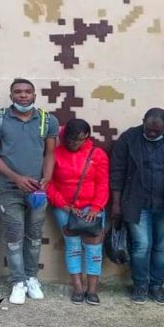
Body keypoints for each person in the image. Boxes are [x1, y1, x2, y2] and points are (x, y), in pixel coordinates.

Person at [0, 78, 59, 305]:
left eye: (27, 92)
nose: (23, 95)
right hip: (8, 188)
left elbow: (50, 153)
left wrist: (47, 178)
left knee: (35, 236)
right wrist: (16, 178)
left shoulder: (48, 120)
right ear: (11, 95)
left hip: (37, 190)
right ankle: (18, 281)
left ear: (35, 95)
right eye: (18, 92)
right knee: (14, 236)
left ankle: (31, 278)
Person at [110, 108, 164, 305]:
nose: (152, 133)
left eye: (157, 130)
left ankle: (157, 287)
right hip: (136, 201)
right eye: (148, 129)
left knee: (161, 246)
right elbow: (117, 171)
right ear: (143, 121)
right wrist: (116, 203)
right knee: (141, 245)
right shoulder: (129, 138)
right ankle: (140, 285)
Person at [47, 119, 109, 305]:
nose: (74, 143)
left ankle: (92, 290)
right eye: (71, 139)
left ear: (87, 137)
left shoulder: (97, 154)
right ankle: (78, 288)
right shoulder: (55, 154)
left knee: (94, 248)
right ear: (64, 135)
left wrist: (96, 208)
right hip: (65, 208)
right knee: (73, 247)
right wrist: (64, 205)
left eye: (80, 139)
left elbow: (103, 184)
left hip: (92, 208)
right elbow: (48, 184)